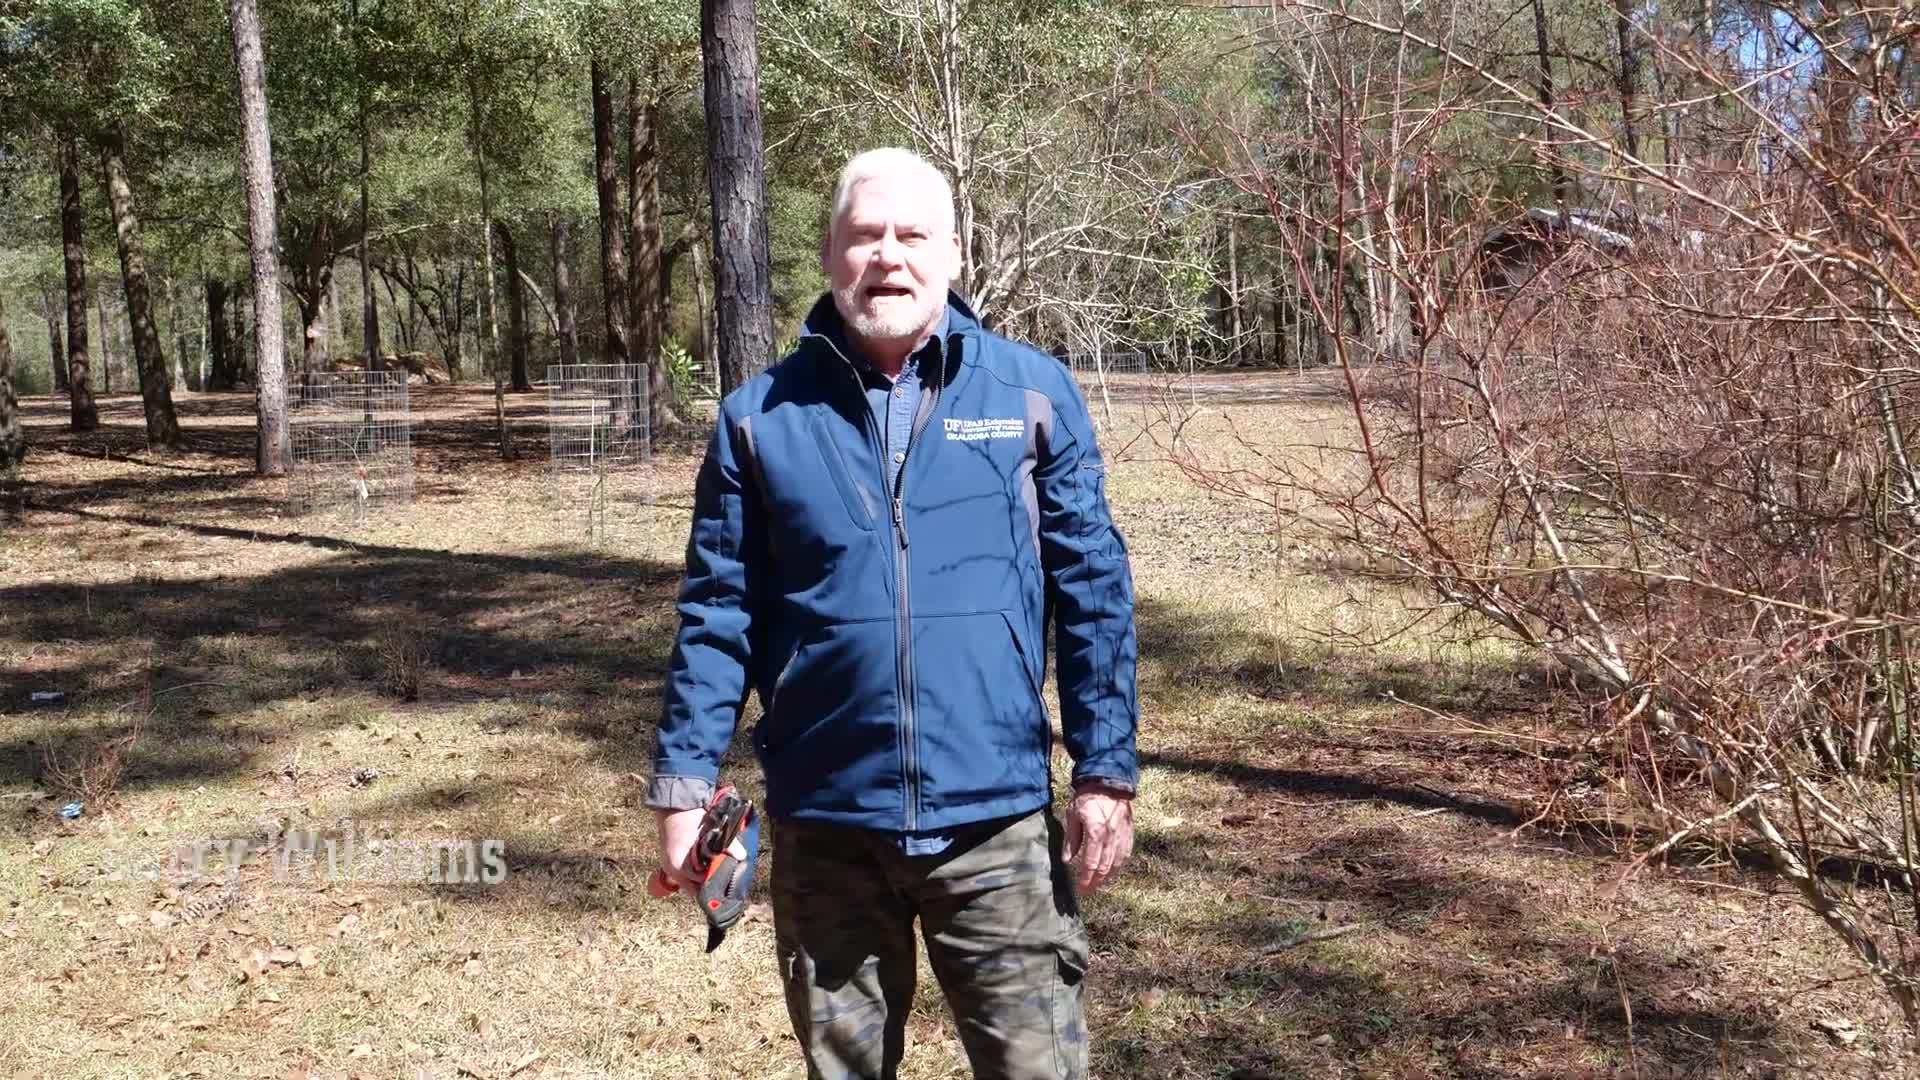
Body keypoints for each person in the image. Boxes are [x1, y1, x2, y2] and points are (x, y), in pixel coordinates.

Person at [647, 146, 1139, 1080]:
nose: (889, 257)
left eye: (912, 234)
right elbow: (719, 611)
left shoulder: (1033, 396)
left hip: (995, 825)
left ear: (953, 251)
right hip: (829, 824)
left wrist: (1105, 769)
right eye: (865, 236)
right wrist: (681, 786)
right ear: (830, 254)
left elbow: (1093, 592)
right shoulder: (760, 418)